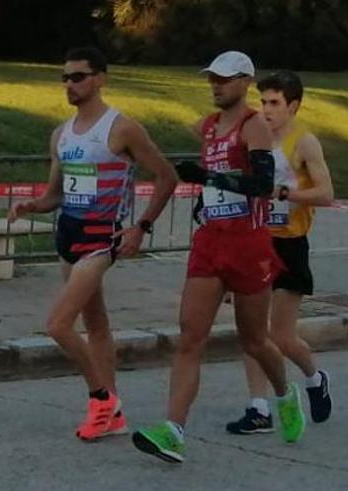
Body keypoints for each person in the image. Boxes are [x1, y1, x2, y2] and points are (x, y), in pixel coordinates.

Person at [132, 51, 306, 464]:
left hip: (249, 245)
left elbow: (262, 185)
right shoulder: (208, 127)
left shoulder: (255, 127)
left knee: (254, 339)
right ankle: (173, 430)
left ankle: (284, 394)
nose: (216, 86)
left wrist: (209, 177)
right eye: (211, 78)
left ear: (245, 81)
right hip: (210, 241)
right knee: (190, 338)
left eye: (224, 79)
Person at [8, 46, 177, 440]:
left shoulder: (122, 128)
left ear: (99, 78)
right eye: (65, 77)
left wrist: (141, 226)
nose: (69, 84)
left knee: (57, 324)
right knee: (95, 323)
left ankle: (101, 399)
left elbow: (167, 176)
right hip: (68, 233)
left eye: (78, 76)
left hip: (102, 240)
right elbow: (56, 194)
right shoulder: (61, 134)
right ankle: (113, 411)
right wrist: (31, 205)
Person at [225, 70, 335, 434]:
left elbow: (326, 194)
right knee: (251, 332)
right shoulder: (253, 137)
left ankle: (315, 376)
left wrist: (285, 195)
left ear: (294, 105)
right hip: (255, 240)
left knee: (281, 336)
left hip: (290, 245)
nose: (267, 110)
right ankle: (259, 408)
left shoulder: (305, 143)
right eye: (264, 102)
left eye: (275, 103)